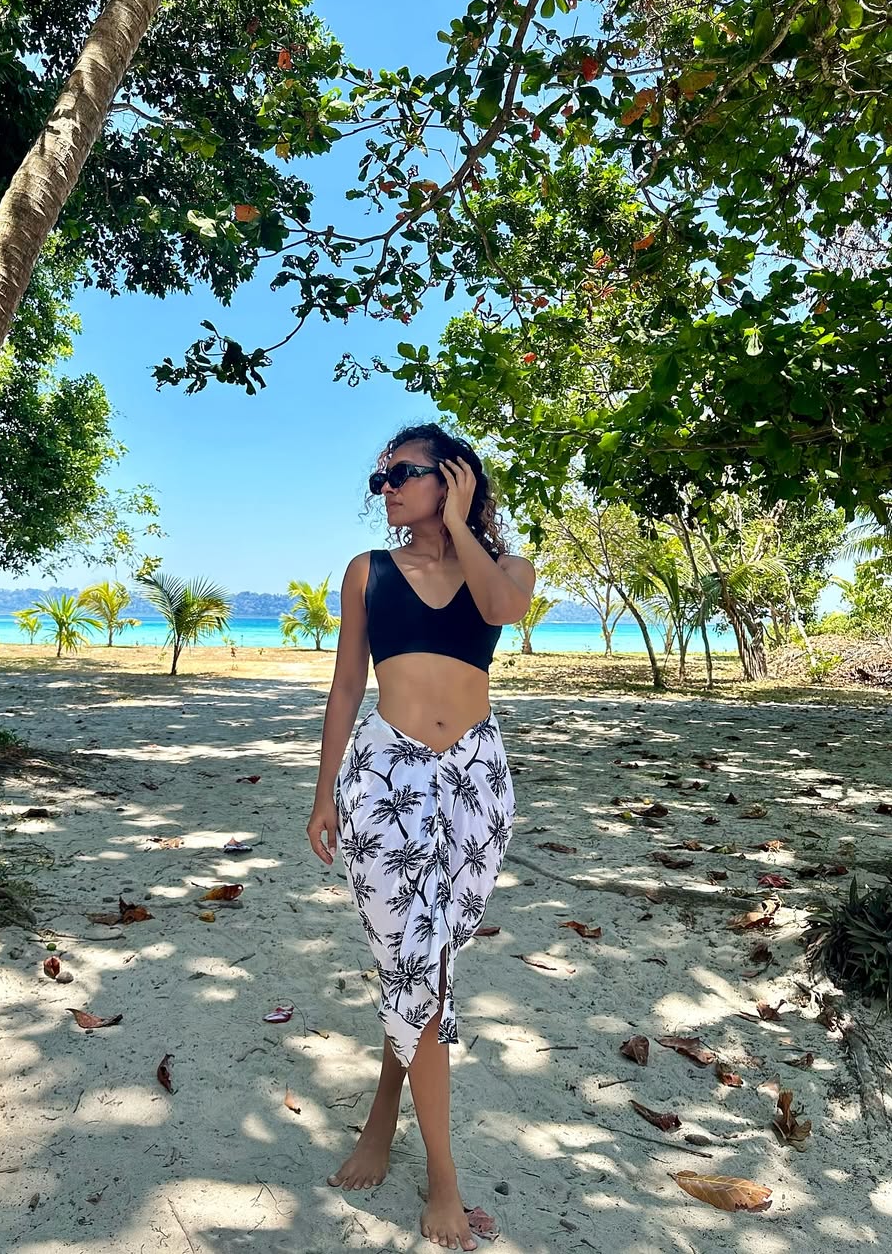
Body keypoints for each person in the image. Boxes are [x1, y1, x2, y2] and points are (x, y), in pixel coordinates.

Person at [307, 423, 535, 1252]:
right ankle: (443, 1178)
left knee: (428, 965)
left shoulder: (507, 569)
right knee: (419, 969)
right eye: (381, 479)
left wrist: (466, 529)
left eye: (402, 473)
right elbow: (345, 685)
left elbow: (502, 610)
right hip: (384, 777)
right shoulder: (366, 572)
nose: (387, 489)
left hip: (477, 781)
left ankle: (382, 1112)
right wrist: (324, 793)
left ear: (454, 478)